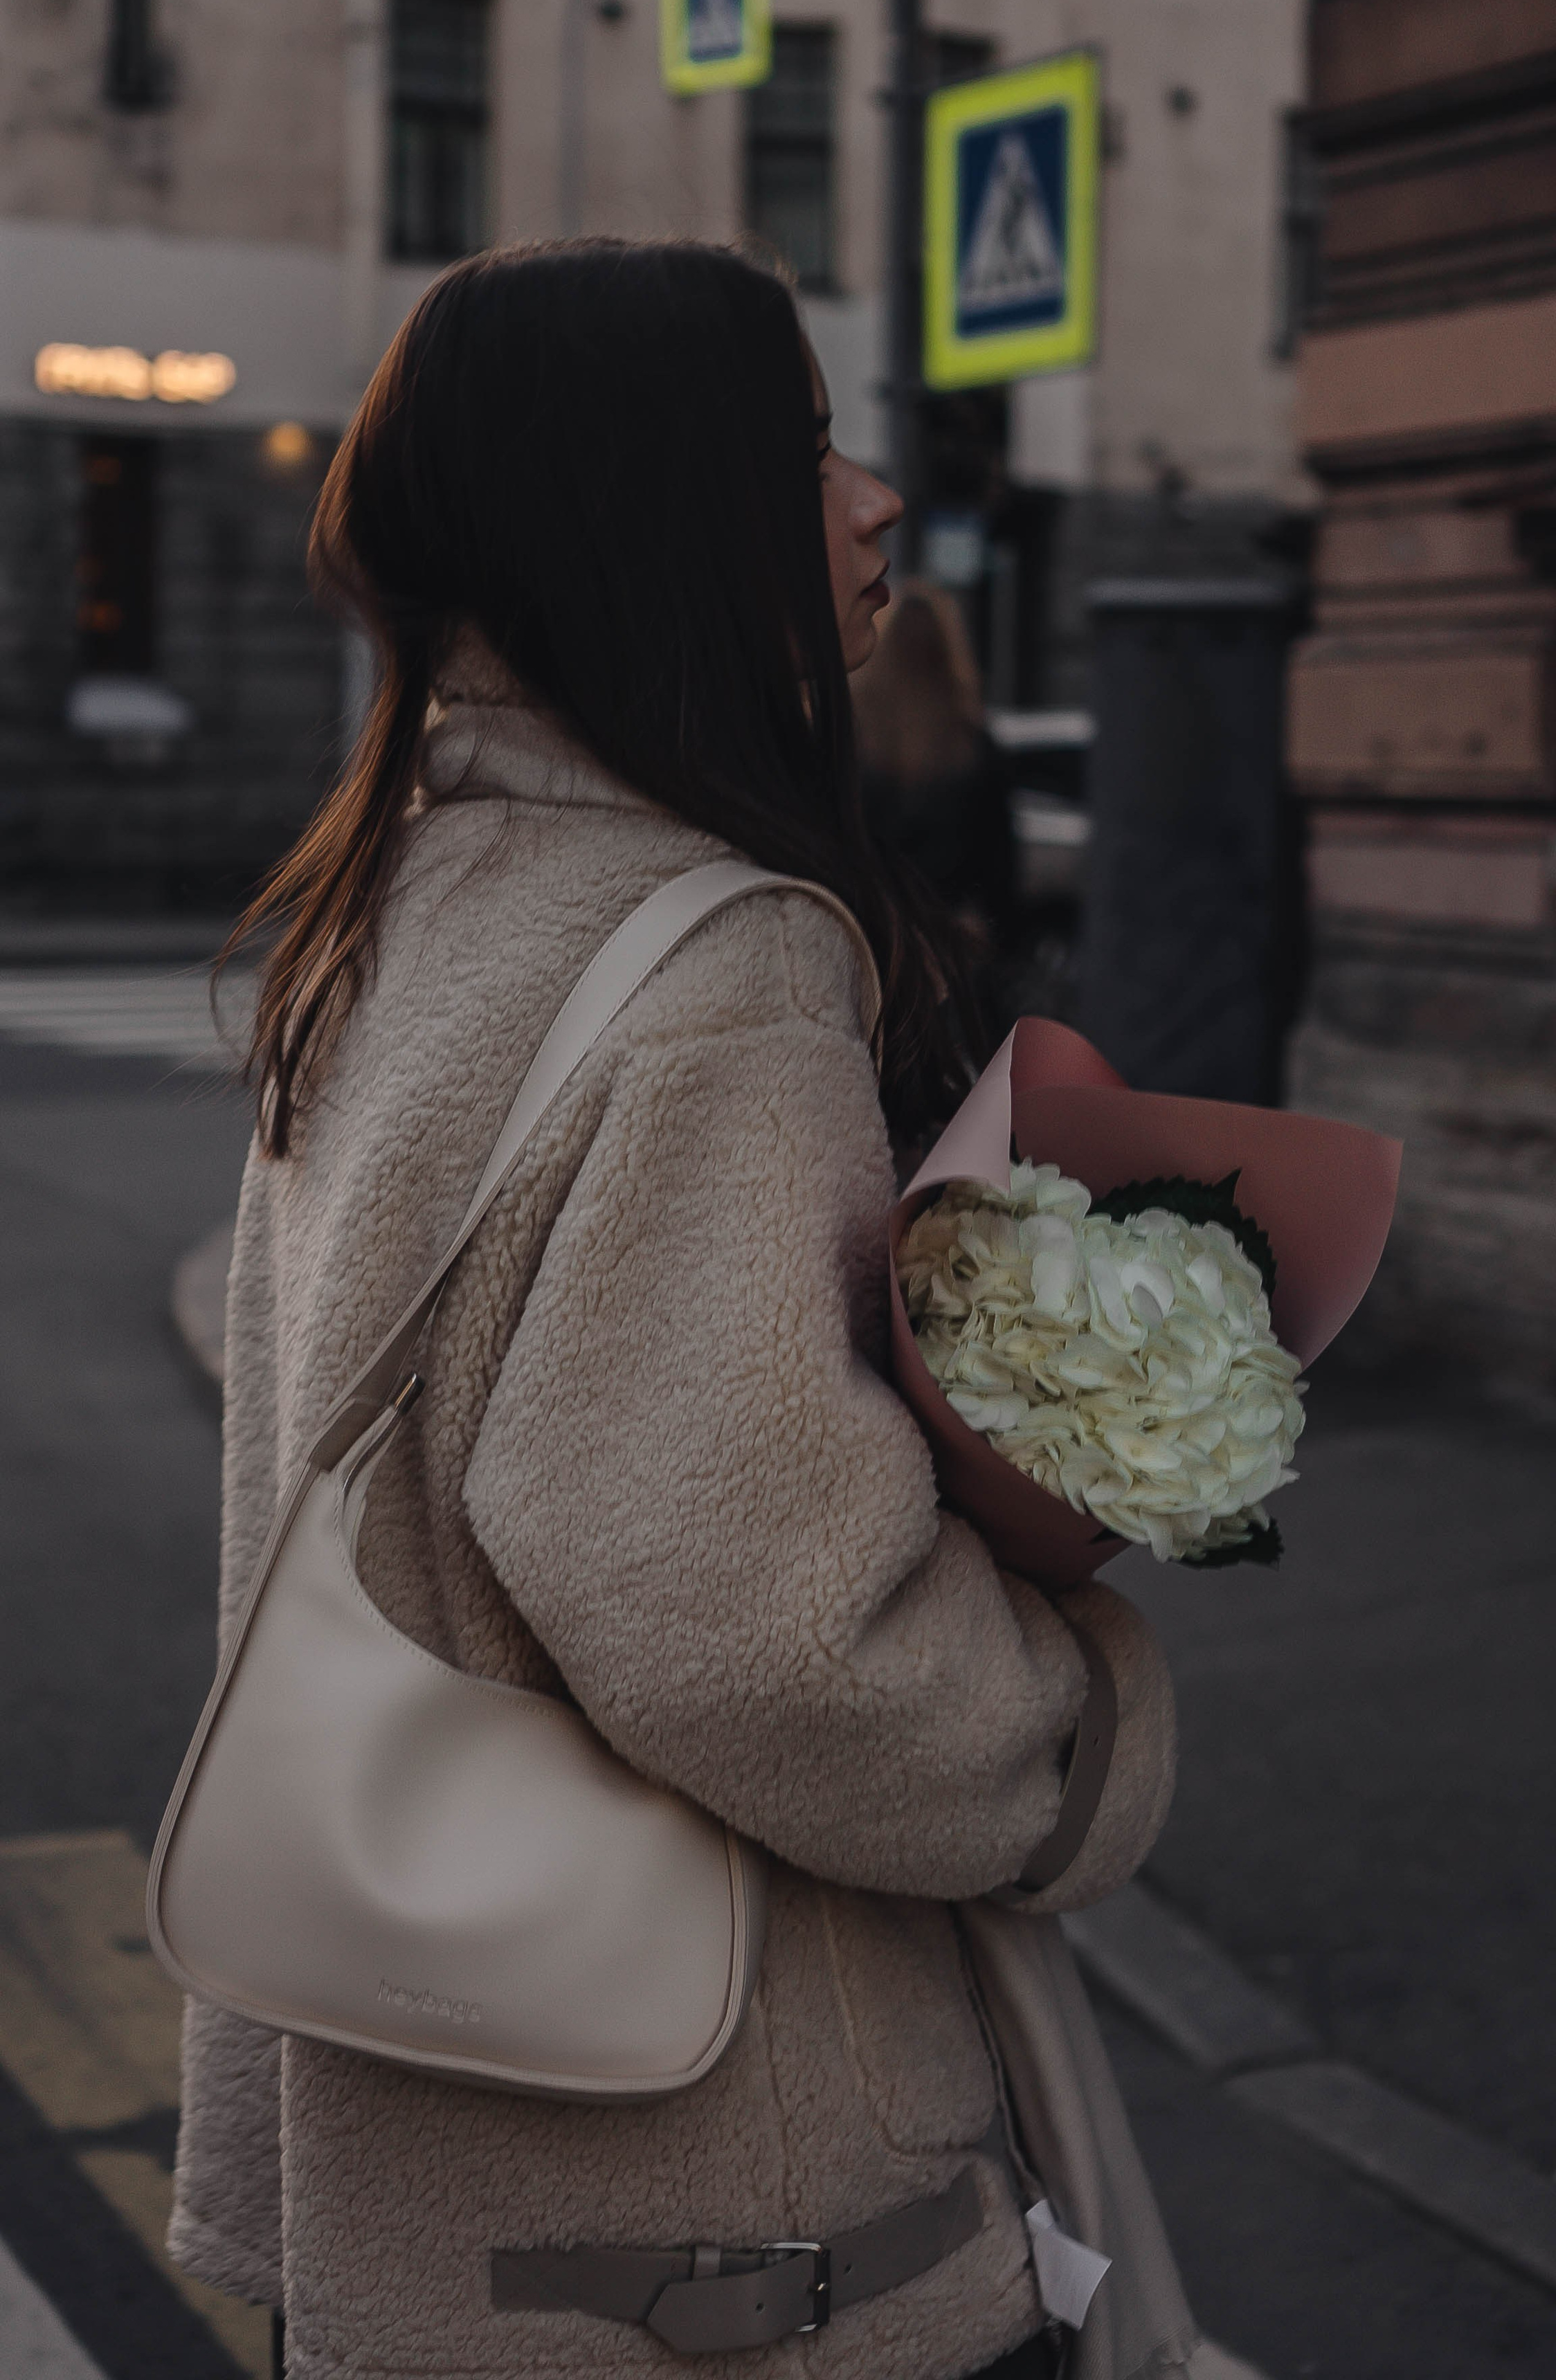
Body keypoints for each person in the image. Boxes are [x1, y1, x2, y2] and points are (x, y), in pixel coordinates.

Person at [168, 240, 1176, 2380]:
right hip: (725, 2233)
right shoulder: (710, 971)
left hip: (424, 2173)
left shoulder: (394, 901)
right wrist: (1077, 1716)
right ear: (659, 510)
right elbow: (767, 1637)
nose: (875, 494)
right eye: (807, 445)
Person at [851, 579, 1020, 961]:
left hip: (874, 941)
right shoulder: (973, 748)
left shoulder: (856, 748)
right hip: (952, 947)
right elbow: (1001, 873)